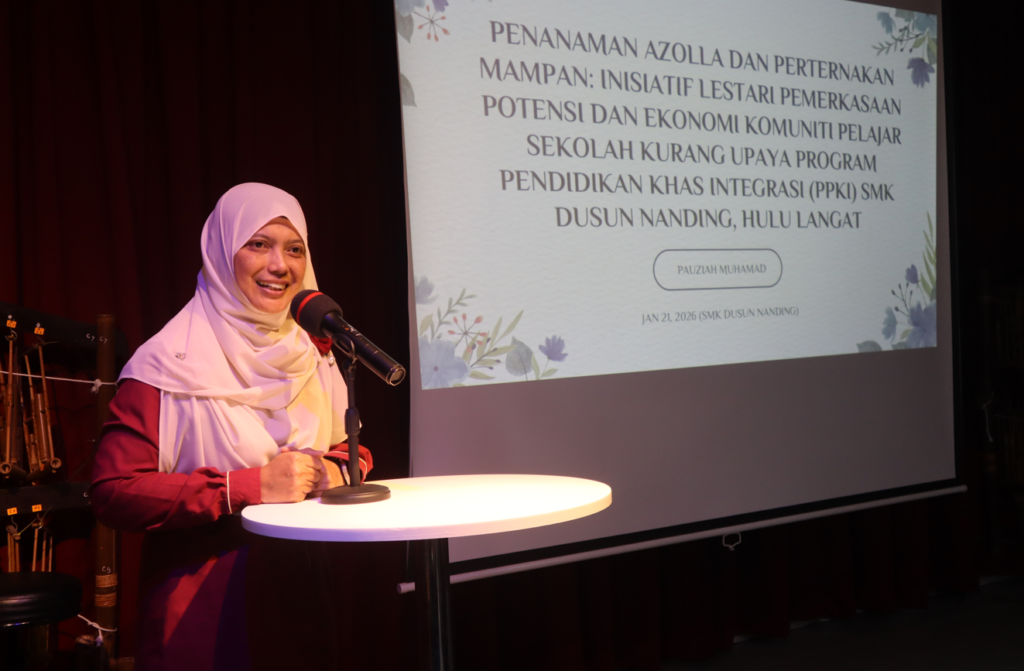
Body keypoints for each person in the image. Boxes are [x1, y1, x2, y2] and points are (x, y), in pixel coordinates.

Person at [90, 183, 372, 671]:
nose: (279, 265)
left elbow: (352, 449)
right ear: (221, 252)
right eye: (258, 244)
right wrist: (246, 487)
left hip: (298, 594)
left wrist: (334, 471)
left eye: (294, 249)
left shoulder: (310, 351)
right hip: (203, 602)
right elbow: (113, 491)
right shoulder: (166, 362)